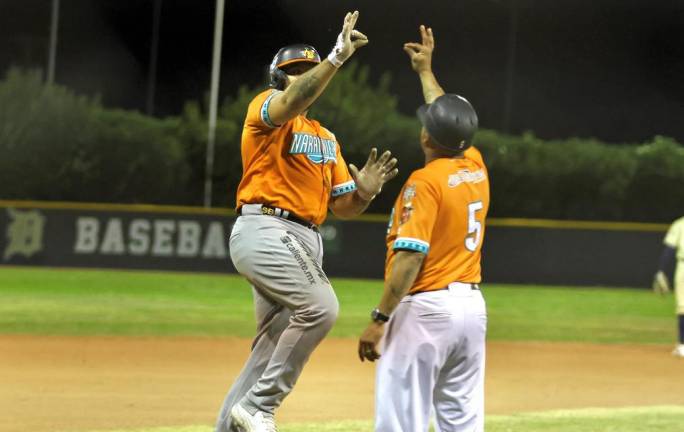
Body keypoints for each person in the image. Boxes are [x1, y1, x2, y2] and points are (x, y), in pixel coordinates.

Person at [214, 11, 399, 432]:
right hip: (266, 228)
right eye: (291, 72)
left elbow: (344, 207)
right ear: (276, 78)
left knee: (271, 348)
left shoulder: (326, 137)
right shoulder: (266, 109)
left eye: (305, 71)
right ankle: (262, 405)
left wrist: (365, 191)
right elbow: (292, 101)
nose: (298, 77)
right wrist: (333, 58)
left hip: (304, 239)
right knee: (320, 307)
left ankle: (231, 423)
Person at [358, 25, 489, 432]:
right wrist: (425, 71)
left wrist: (379, 319)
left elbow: (411, 256)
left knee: (400, 420)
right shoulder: (475, 166)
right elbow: (450, 120)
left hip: (427, 311)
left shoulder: (424, 182)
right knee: (462, 421)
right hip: (472, 310)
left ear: (426, 136)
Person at [652, 215, 684, 358]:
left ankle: (683, 345)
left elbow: (670, 249)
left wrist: (661, 270)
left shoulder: (680, 224)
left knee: (683, 307)